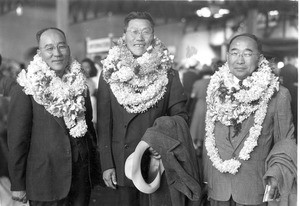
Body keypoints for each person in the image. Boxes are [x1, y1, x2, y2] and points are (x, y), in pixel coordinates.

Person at [97, 12, 192, 206]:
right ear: (124, 35)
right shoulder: (109, 73)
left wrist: (161, 143)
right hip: (122, 160)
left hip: (157, 159)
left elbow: (181, 117)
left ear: (153, 35)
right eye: (133, 32)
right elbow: (104, 123)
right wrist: (107, 164)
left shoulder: (169, 73)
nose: (139, 38)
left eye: (145, 32)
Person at [7, 27, 100, 205]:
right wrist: (18, 184)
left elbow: (88, 128)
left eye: (61, 46)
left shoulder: (80, 82)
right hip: (45, 181)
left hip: (80, 178)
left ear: (68, 49)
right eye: (49, 48)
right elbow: (17, 140)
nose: (57, 53)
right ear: (39, 53)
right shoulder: (25, 86)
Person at [203, 33, 297, 206]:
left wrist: (275, 174)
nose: (239, 60)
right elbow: (209, 137)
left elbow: (286, 141)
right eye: (234, 52)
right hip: (218, 188)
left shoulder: (278, 94)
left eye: (247, 53)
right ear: (227, 56)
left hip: (254, 189)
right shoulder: (214, 90)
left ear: (259, 58)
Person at [81, 57, 98, 125]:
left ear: (91, 68)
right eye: (83, 67)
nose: (84, 69)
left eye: (87, 67)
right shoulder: (76, 81)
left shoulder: (95, 80)